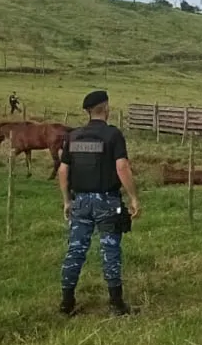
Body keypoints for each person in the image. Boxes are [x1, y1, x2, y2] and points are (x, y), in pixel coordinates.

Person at [57, 90, 141, 316]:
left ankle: (66, 303)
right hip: (108, 202)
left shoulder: (73, 137)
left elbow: (63, 170)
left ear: (88, 111)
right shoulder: (113, 135)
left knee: (75, 250)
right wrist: (133, 197)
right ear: (106, 109)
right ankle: (116, 304)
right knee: (110, 249)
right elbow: (121, 167)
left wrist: (67, 200)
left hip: (80, 202)